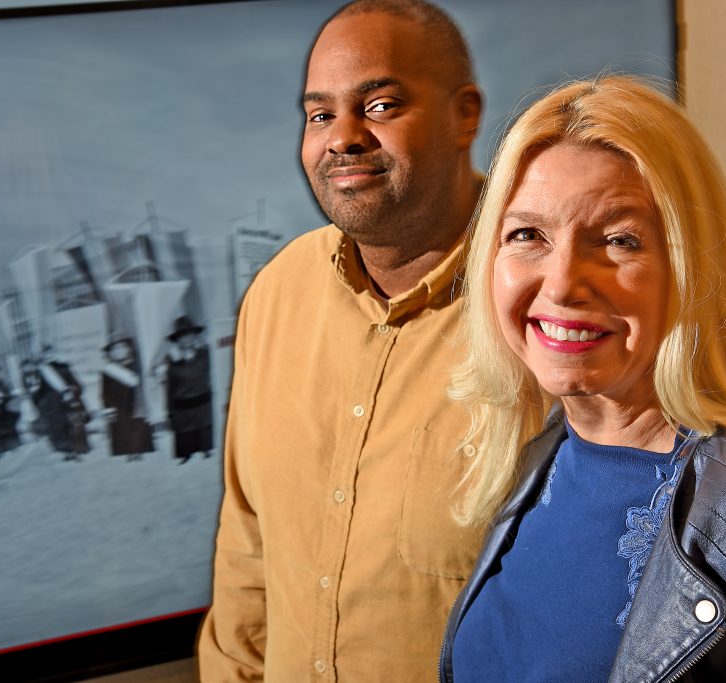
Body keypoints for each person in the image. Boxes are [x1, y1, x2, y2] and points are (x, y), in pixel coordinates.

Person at [197, 0, 484, 679]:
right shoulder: (278, 291)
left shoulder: (547, 307)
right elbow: (248, 543)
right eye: (321, 114)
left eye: (380, 105)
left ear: (463, 114)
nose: (342, 137)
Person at [439, 76, 726, 682]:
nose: (564, 282)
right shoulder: (541, 451)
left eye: (619, 240)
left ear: (691, 263)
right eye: (528, 235)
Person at [160, 315, 213, 464]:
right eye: (183, 336)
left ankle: (207, 450)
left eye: (190, 335)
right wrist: (169, 411)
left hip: (203, 403)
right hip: (182, 406)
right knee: (185, 433)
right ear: (177, 340)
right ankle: (186, 455)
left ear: (195, 336)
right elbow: (169, 388)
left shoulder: (206, 354)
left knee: (204, 429)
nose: (187, 339)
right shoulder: (172, 361)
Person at [101, 335, 154, 461]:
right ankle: (128, 452)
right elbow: (104, 392)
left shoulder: (135, 365)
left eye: (122, 347)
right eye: (114, 349)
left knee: (137, 428)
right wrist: (107, 407)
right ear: (110, 354)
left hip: (135, 403)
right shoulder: (108, 370)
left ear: (128, 349)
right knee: (122, 430)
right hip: (118, 405)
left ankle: (138, 451)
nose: (119, 351)